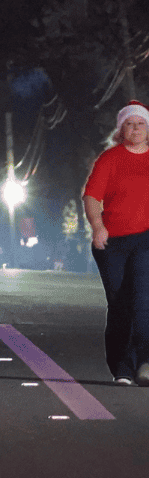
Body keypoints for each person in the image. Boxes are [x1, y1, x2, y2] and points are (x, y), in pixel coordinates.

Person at [83, 99, 149, 386]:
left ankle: (144, 362)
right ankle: (121, 367)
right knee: (120, 303)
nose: (135, 129)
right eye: (129, 124)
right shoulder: (110, 158)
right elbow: (91, 197)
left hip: (146, 240)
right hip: (114, 243)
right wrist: (98, 226)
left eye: (141, 124)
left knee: (143, 301)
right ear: (121, 130)